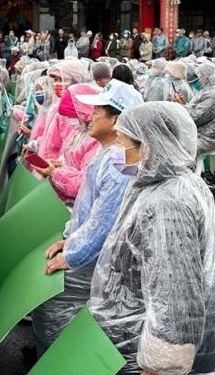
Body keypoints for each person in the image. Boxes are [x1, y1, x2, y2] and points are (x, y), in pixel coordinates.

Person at [50, 102, 215, 375]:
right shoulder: (161, 183)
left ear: (152, 145)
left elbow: (176, 296)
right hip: (139, 324)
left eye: (126, 142)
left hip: (160, 346)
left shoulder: (168, 203)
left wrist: (157, 369)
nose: (119, 151)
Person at [32, 81, 142, 354]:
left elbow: (104, 224)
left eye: (97, 111)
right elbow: (88, 210)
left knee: (55, 306)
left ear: (116, 120)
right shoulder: (110, 154)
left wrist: (71, 255)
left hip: (98, 261)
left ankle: (60, 368)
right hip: (88, 251)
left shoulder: (120, 163)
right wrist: (69, 237)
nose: (88, 115)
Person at [31, 83, 101, 203]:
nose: (69, 120)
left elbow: (82, 183)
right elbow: (72, 159)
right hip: (64, 198)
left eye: (71, 116)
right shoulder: (80, 132)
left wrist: (54, 172)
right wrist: (59, 164)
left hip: (75, 202)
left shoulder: (96, 140)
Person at [185, 62, 215, 157]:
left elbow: (195, 118)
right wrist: (183, 105)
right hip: (200, 134)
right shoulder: (205, 91)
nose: (195, 81)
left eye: (198, 77)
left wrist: (182, 106)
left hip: (208, 139)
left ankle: (183, 172)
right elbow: (193, 110)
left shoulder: (213, 94)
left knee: (175, 149)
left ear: (205, 78)